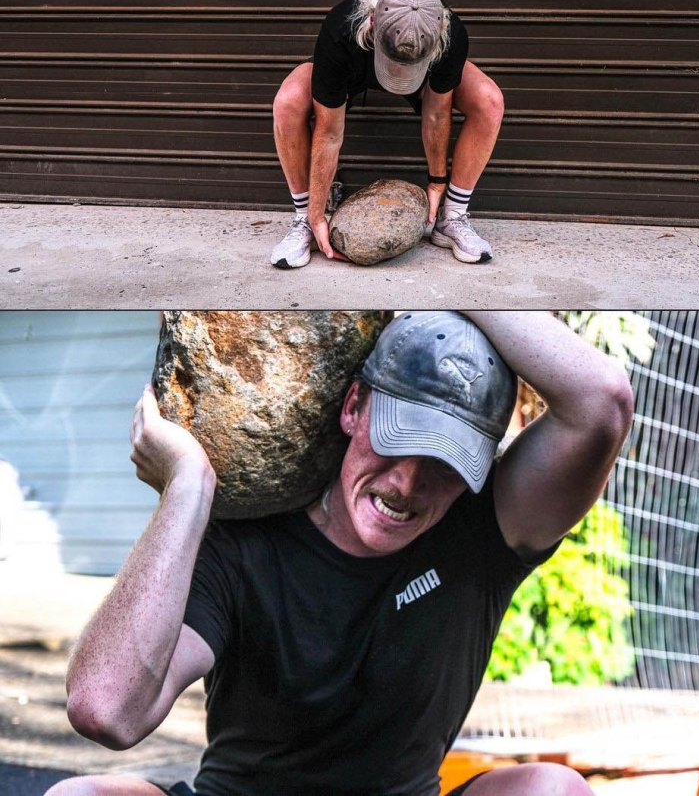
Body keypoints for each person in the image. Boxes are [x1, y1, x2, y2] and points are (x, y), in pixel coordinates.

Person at [46, 311, 634, 796]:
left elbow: (601, 402)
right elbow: (106, 709)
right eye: (396, 439)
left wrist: (449, 278)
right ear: (353, 407)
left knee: (552, 790)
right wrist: (188, 488)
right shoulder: (248, 539)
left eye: (443, 462)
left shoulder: (484, 530)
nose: (406, 483)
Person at [270, 0, 505, 268]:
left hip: (426, 76)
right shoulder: (340, 29)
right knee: (288, 102)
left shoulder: (449, 33)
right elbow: (329, 133)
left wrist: (436, 183)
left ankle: (452, 217)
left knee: (489, 100)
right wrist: (316, 213)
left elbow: (435, 113)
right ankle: (303, 221)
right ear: (371, 19)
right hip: (356, 62)